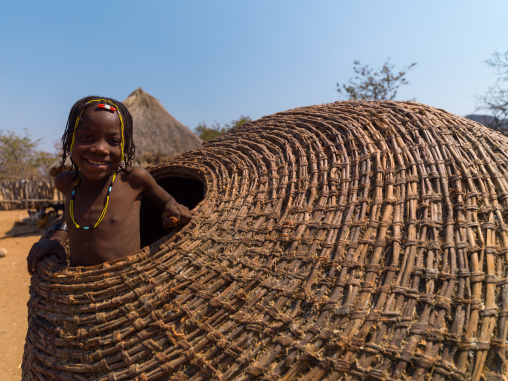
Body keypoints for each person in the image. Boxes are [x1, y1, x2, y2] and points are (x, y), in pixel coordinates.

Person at [27, 96, 191, 273]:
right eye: (87, 137)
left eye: (113, 141)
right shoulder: (67, 183)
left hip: (127, 281)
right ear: (70, 141)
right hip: (80, 285)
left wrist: (173, 214)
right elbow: (69, 216)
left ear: (125, 147)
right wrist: (56, 240)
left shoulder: (134, 179)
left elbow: (168, 203)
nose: (100, 148)